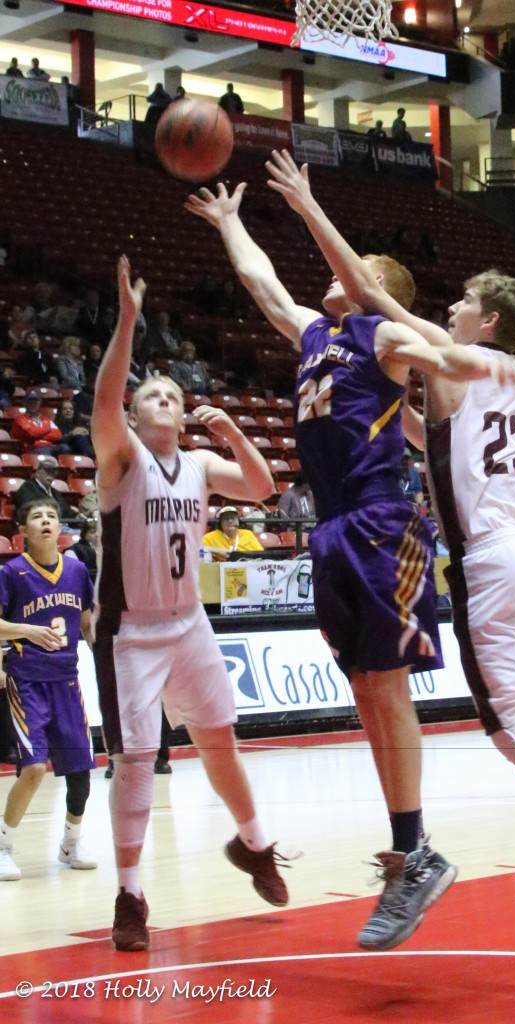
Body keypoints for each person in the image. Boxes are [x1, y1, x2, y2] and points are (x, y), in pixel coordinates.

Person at [264, 149, 515, 947]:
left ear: (490, 322)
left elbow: (373, 296)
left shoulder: (467, 356)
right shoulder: (513, 378)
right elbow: (427, 434)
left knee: (508, 720)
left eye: (463, 302)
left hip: (492, 559)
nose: (449, 308)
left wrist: (310, 208)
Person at [185, 176, 515, 954]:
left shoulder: (384, 336)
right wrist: (231, 223)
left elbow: (448, 362)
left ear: (369, 285)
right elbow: (261, 283)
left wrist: (452, 367)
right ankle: (410, 851)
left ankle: (414, 850)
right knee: (366, 689)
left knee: (387, 685)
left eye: (349, 269)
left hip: (381, 522)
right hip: (333, 529)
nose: (328, 276)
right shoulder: (316, 336)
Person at [91, 256, 290, 953]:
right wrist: (126, 322)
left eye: (172, 395)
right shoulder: (121, 460)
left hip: (189, 626)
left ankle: (255, 843)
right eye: (154, 397)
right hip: (129, 633)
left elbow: (264, 489)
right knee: (136, 761)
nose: (165, 401)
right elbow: (106, 400)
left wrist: (233, 432)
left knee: (219, 743)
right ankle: (129, 893)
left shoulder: (201, 465)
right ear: (139, 415)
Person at [0, 498, 96, 881]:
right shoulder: (11, 572)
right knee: (35, 768)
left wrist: (108, 659)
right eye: (36, 516)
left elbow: (87, 625)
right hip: (27, 681)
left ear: (60, 529)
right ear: (22, 531)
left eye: (51, 517)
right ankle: (4, 845)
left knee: (81, 772)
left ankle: (71, 841)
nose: (45, 522)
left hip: (67, 681)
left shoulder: (76, 571)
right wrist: (26, 630)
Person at [13, 457, 77, 526]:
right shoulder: (27, 488)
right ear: (37, 473)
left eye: (53, 472)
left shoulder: (55, 492)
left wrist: (77, 516)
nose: (50, 475)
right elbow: (31, 509)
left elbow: (67, 511)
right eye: (47, 471)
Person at [11, 391, 66, 456]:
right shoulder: (20, 419)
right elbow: (32, 433)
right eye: (30, 401)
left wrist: (39, 437)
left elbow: (58, 435)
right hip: (31, 448)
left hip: (49, 446)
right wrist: (48, 429)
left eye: (35, 401)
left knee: (65, 448)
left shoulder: (46, 419)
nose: (33, 404)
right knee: (45, 451)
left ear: (40, 403)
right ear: (25, 403)